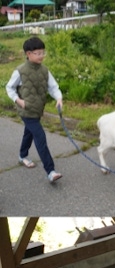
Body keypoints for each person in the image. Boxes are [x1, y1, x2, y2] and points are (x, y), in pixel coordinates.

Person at [5, 36, 63, 183]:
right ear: (28, 54)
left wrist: (59, 98)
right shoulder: (20, 71)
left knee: (29, 133)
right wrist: (19, 101)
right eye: (38, 53)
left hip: (38, 109)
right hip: (26, 110)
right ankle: (51, 171)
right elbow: (9, 88)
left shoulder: (45, 70)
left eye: (43, 52)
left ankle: (22, 156)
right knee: (40, 137)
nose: (41, 56)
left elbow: (53, 87)